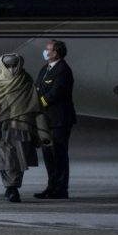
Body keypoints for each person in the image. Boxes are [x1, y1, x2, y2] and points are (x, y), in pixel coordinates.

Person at [0, 54, 50, 202]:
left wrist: (38, 129)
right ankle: (10, 188)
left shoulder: (26, 79)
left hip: (22, 126)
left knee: (20, 158)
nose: (12, 69)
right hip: (3, 127)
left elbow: (34, 103)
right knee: (6, 159)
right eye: (8, 66)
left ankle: (13, 187)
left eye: (14, 65)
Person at [34, 40, 76, 199]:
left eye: (48, 49)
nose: (45, 51)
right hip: (46, 120)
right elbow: (38, 88)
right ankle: (51, 187)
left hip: (59, 120)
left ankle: (61, 189)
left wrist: (38, 103)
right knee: (48, 155)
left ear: (56, 53)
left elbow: (56, 93)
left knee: (59, 154)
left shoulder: (63, 70)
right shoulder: (45, 69)